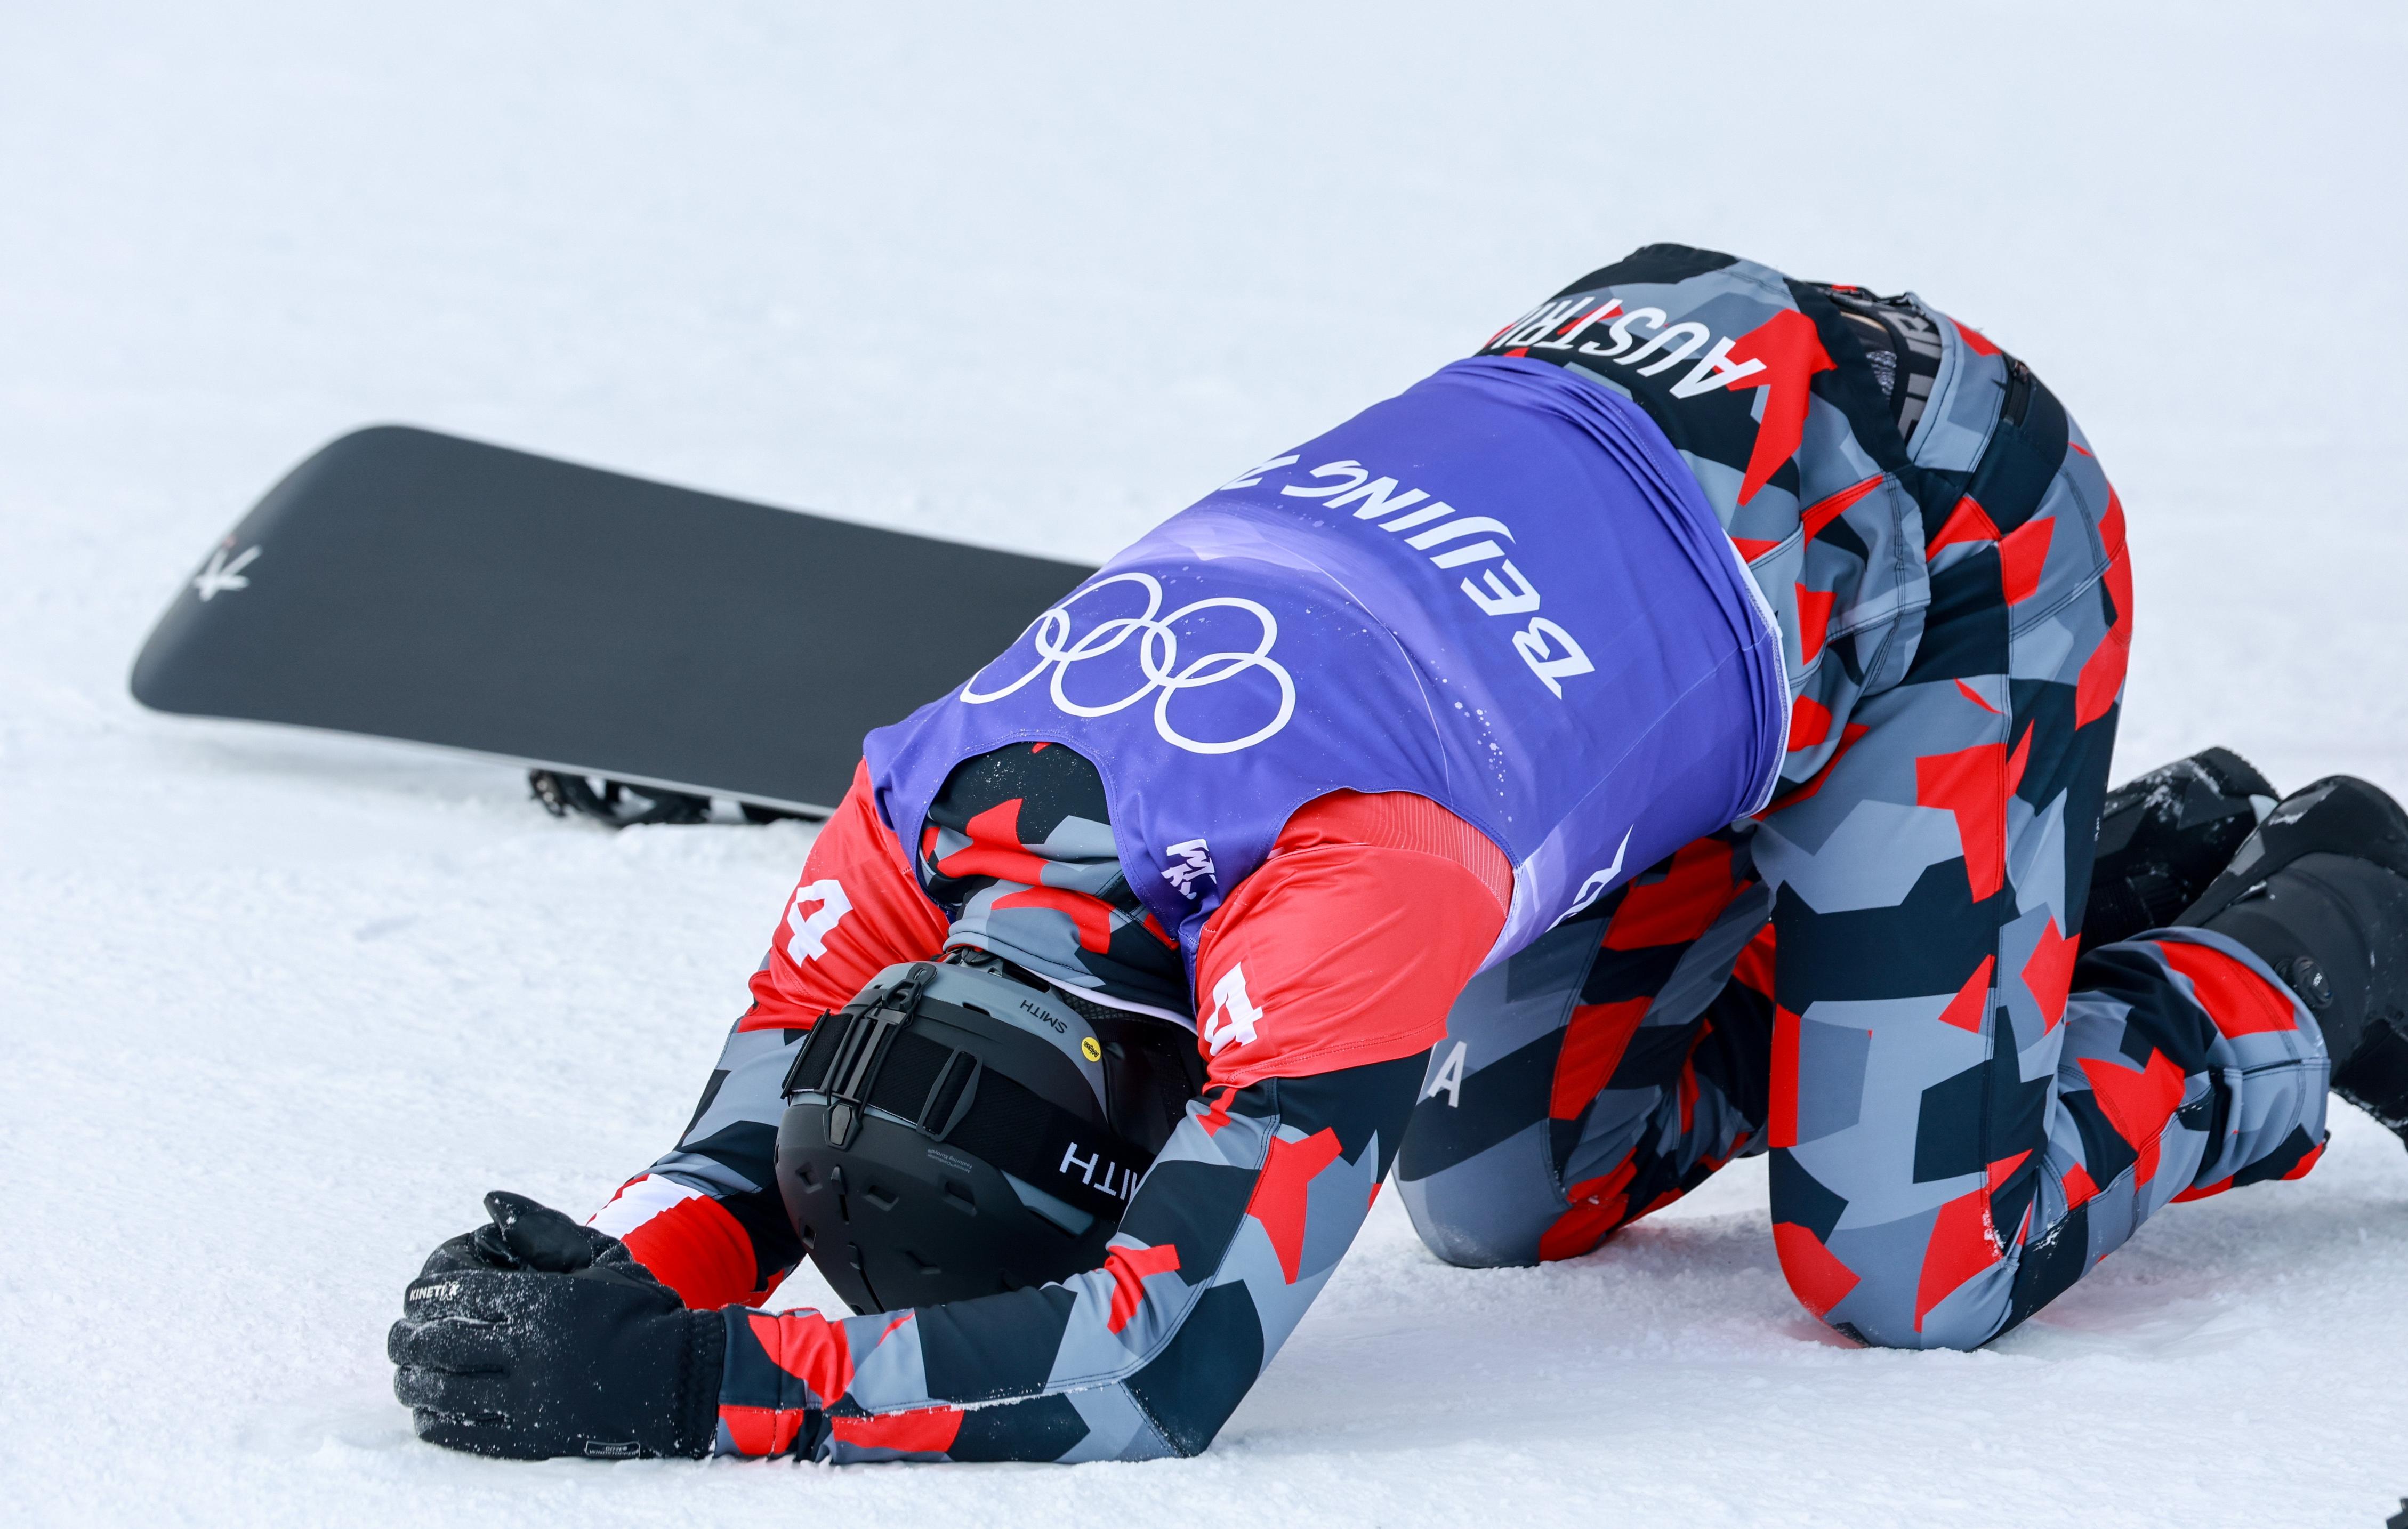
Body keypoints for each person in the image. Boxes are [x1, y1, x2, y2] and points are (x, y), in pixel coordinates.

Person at [389, 244, 2408, 1464]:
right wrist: (633, 1276)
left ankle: (2332, 925)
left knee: (1910, 1261)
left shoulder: (1354, 887)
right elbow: (755, 1116)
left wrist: (680, 1394)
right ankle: (1979, 955)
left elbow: (1166, 1366)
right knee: (1510, 1192)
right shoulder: (926, 802)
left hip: (1936, 521)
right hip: (1653, 457)